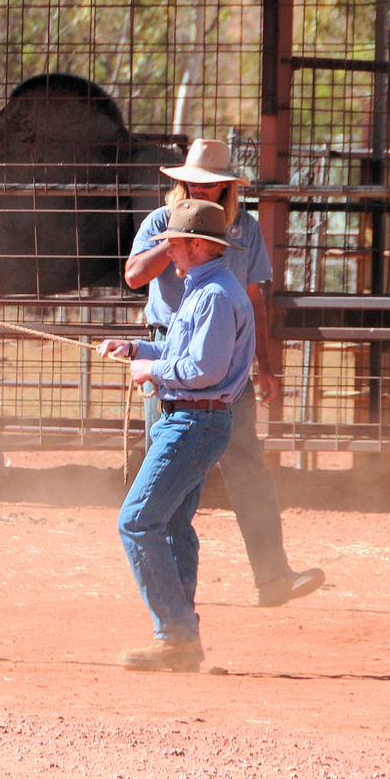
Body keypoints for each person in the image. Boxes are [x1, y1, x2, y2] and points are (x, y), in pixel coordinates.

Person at [125, 139, 325, 609]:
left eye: (210, 184)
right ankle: (173, 588)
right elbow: (134, 275)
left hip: (220, 358)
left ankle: (272, 575)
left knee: (246, 465)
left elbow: (255, 300)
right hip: (171, 353)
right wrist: (176, 241)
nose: (200, 188)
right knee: (171, 473)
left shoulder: (246, 229)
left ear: (225, 188)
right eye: (193, 182)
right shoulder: (159, 221)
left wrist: (266, 364)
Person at [97, 199, 253, 672]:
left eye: (174, 243)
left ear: (199, 245)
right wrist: (138, 348)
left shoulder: (214, 296)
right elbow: (185, 352)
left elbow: (203, 369)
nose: (168, 251)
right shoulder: (207, 288)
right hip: (195, 419)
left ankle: (176, 633)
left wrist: (152, 369)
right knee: (172, 525)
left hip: (193, 421)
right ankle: (180, 638)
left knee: (138, 521)